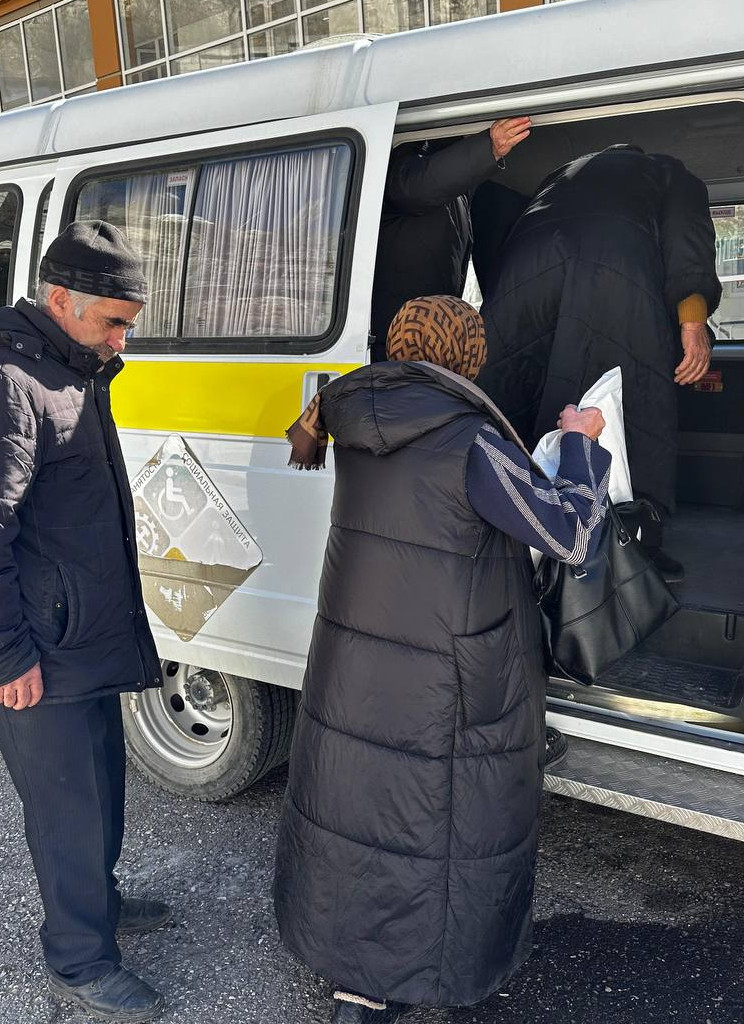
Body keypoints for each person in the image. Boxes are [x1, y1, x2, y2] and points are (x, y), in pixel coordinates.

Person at [275, 295, 611, 1024]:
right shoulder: (471, 442)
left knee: (361, 807)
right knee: (434, 822)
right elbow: (571, 535)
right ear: (470, 357)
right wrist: (581, 443)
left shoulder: (354, 416)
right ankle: (411, 976)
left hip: (359, 660)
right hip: (444, 674)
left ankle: (357, 985)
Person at [0, 221, 168, 1023]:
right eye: (114, 322)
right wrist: (4, 657)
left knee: (102, 787)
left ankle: (100, 902)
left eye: (129, 323)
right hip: (36, 649)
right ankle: (79, 960)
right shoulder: (6, 381)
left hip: (81, 635)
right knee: (65, 809)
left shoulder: (71, 368)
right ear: (61, 300)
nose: (123, 340)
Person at [476, 145, 722, 581]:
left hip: (525, 267)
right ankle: (634, 548)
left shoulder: (559, 176)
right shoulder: (670, 171)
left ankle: (521, 544)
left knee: (523, 394)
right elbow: (687, 237)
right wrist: (692, 321)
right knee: (636, 402)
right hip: (616, 264)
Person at [369, 117, 531, 361]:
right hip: (397, 343)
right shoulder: (402, 156)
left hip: (428, 340)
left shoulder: (458, 195)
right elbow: (413, 188)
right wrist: (488, 147)